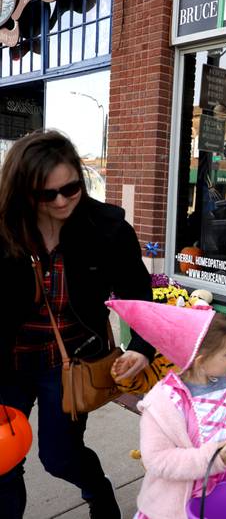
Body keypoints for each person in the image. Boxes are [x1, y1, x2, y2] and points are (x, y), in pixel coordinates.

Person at [0, 130, 156, 519]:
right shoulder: (4, 229)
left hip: (68, 363)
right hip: (7, 365)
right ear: (22, 191)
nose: (61, 200)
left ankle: (99, 492)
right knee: (2, 463)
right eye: (46, 194)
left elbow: (137, 292)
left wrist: (141, 346)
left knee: (61, 456)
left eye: (70, 188)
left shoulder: (107, 228)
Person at [105, 299, 226, 519]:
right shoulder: (163, 403)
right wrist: (210, 458)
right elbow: (157, 460)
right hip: (178, 505)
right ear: (200, 361)